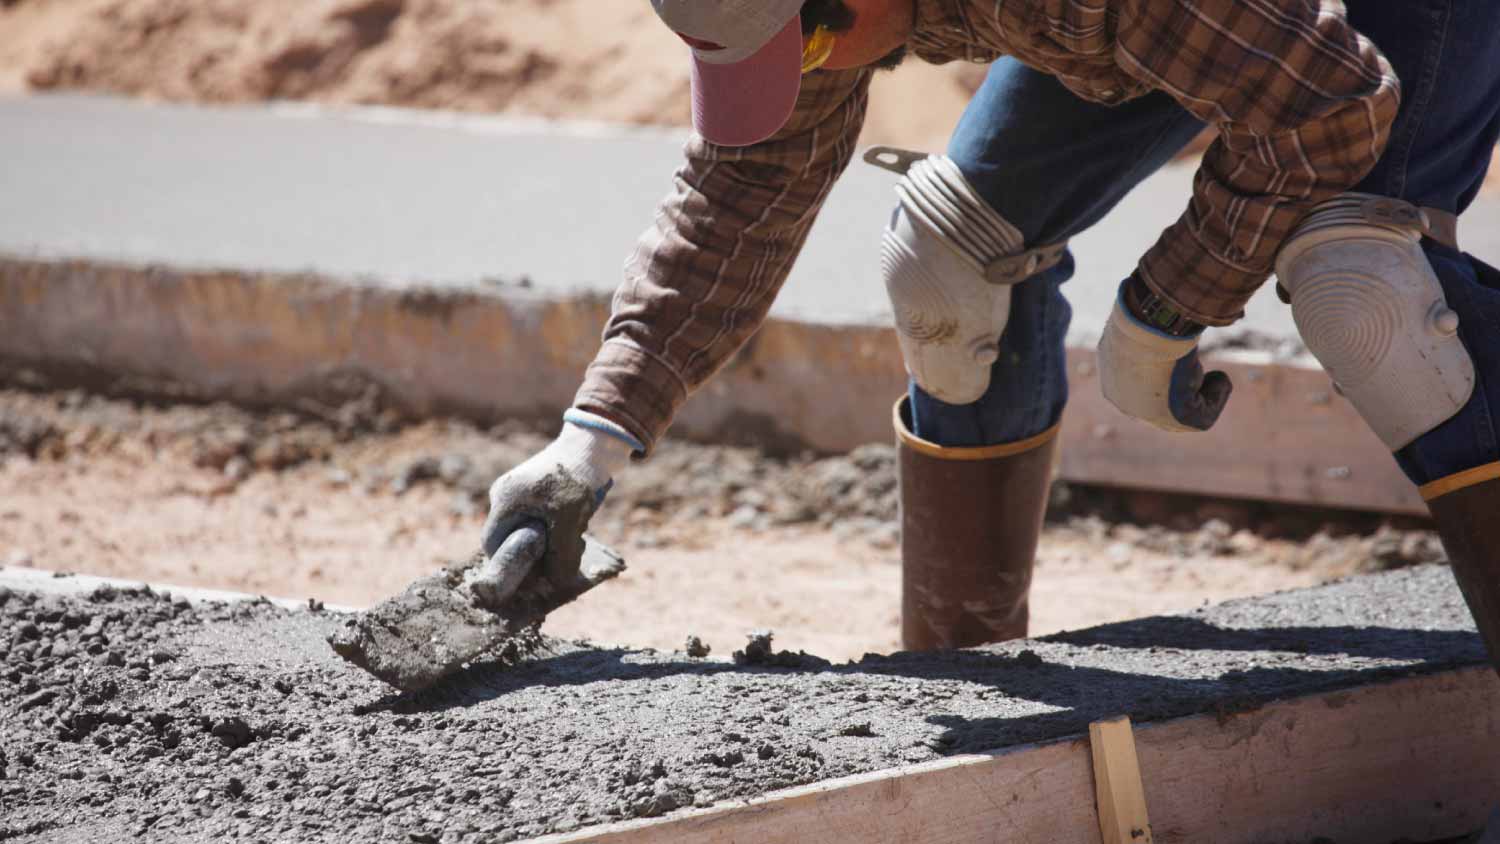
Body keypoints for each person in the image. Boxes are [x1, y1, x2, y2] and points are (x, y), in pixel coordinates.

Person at [478, 0, 1500, 674]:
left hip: (1335, 39)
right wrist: (590, 440)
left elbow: (1329, 104)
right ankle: (959, 680)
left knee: (1366, 297)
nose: (808, 75)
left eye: (814, 48)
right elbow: (743, 187)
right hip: (1191, 21)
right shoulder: (824, 11)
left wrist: (1166, 308)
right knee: (946, 260)